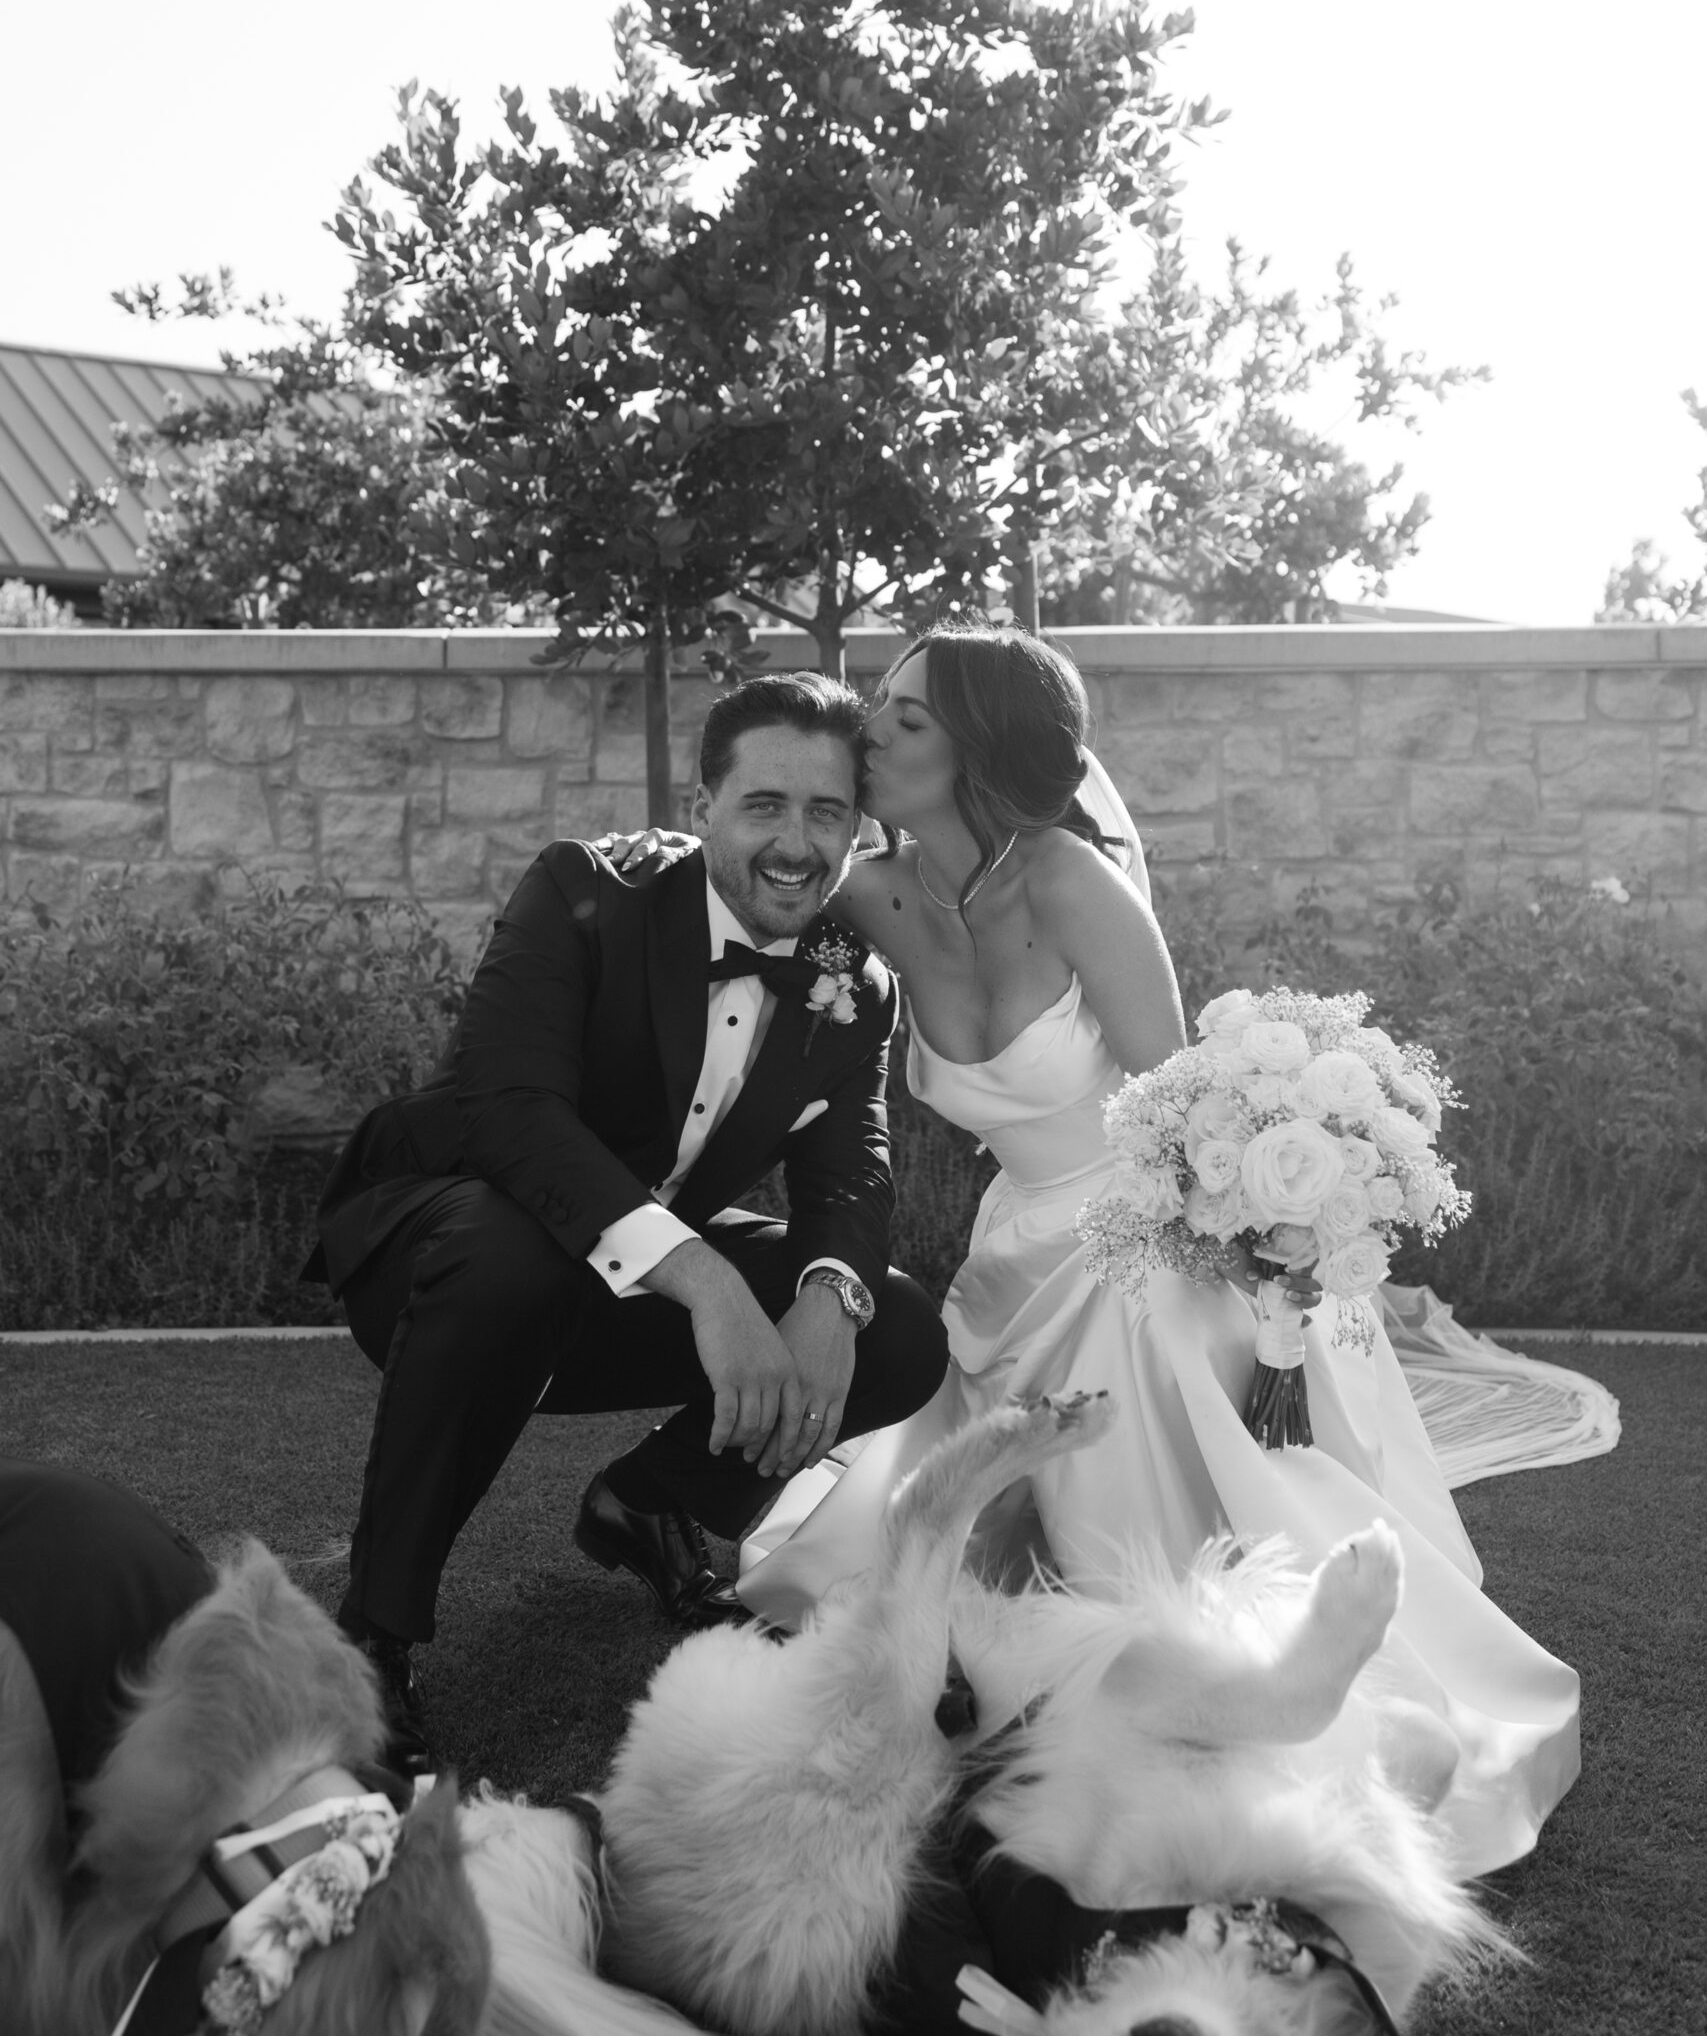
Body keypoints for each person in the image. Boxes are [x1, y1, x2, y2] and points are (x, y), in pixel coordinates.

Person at [604, 627, 1601, 1880]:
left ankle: (1237, 1667)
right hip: (1011, 1240)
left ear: (980, 748)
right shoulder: (867, 893)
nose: (872, 734)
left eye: (907, 719)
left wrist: (1275, 1247)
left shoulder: (1073, 882)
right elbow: (733, 883)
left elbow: (1193, 1113)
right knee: (900, 1569)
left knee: (1135, 1406)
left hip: (1149, 1238)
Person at [306, 672, 950, 1770]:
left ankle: (646, 1504)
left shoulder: (856, 982)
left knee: (893, 1325)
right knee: (514, 1254)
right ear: (703, 804)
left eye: (827, 813)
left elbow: (853, 1173)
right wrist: (703, 1280)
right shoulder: (581, 890)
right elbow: (506, 1112)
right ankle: (375, 1631)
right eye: (764, 806)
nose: (797, 843)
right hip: (450, 1254)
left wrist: (825, 1301)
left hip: (614, 1293)